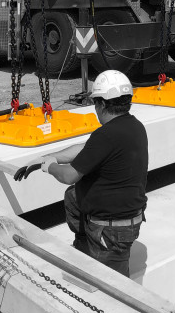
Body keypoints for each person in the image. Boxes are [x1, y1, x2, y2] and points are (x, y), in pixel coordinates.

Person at [14, 70, 148, 277]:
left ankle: (102, 265)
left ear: (102, 104)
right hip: (123, 216)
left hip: (112, 230)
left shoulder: (107, 135)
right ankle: (85, 248)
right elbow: (87, 149)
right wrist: (50, 157)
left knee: (112, 284)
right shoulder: (133, 126)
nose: (95, 108)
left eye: (95, 103)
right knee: (73, 196)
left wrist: (49, 167)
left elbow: (69, 176)